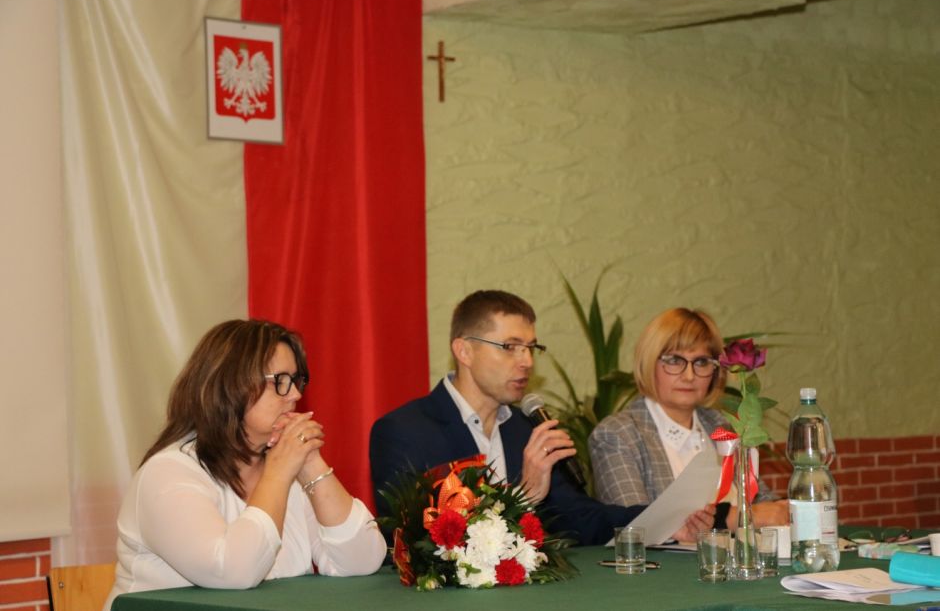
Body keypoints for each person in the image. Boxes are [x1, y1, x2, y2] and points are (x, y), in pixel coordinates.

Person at [369, 290, 714, 546]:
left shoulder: (525, 429)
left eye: (531, 348)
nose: (527, 362)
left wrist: (668, 523)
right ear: (465, 351)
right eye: (510, 347)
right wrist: (523, 496)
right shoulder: (404, 432)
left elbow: (581, 518)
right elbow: (416, 542)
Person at [105, 320, 386, 610]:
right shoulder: (167, 473)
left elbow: (362, 561)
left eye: (296, 380)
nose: (295, 395)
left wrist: (311, 463)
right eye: (280, 381)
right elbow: (233, 571)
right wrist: (279, 473)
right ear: (230, 386)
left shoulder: (287, 467)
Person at [589, 307, 789, 533]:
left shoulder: (721, 426)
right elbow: (637, 530)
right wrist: (738, 517)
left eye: (702, 362)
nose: (689, 376)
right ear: (648, 363)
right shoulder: (617, 435)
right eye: (675, 360)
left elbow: (765, 506)